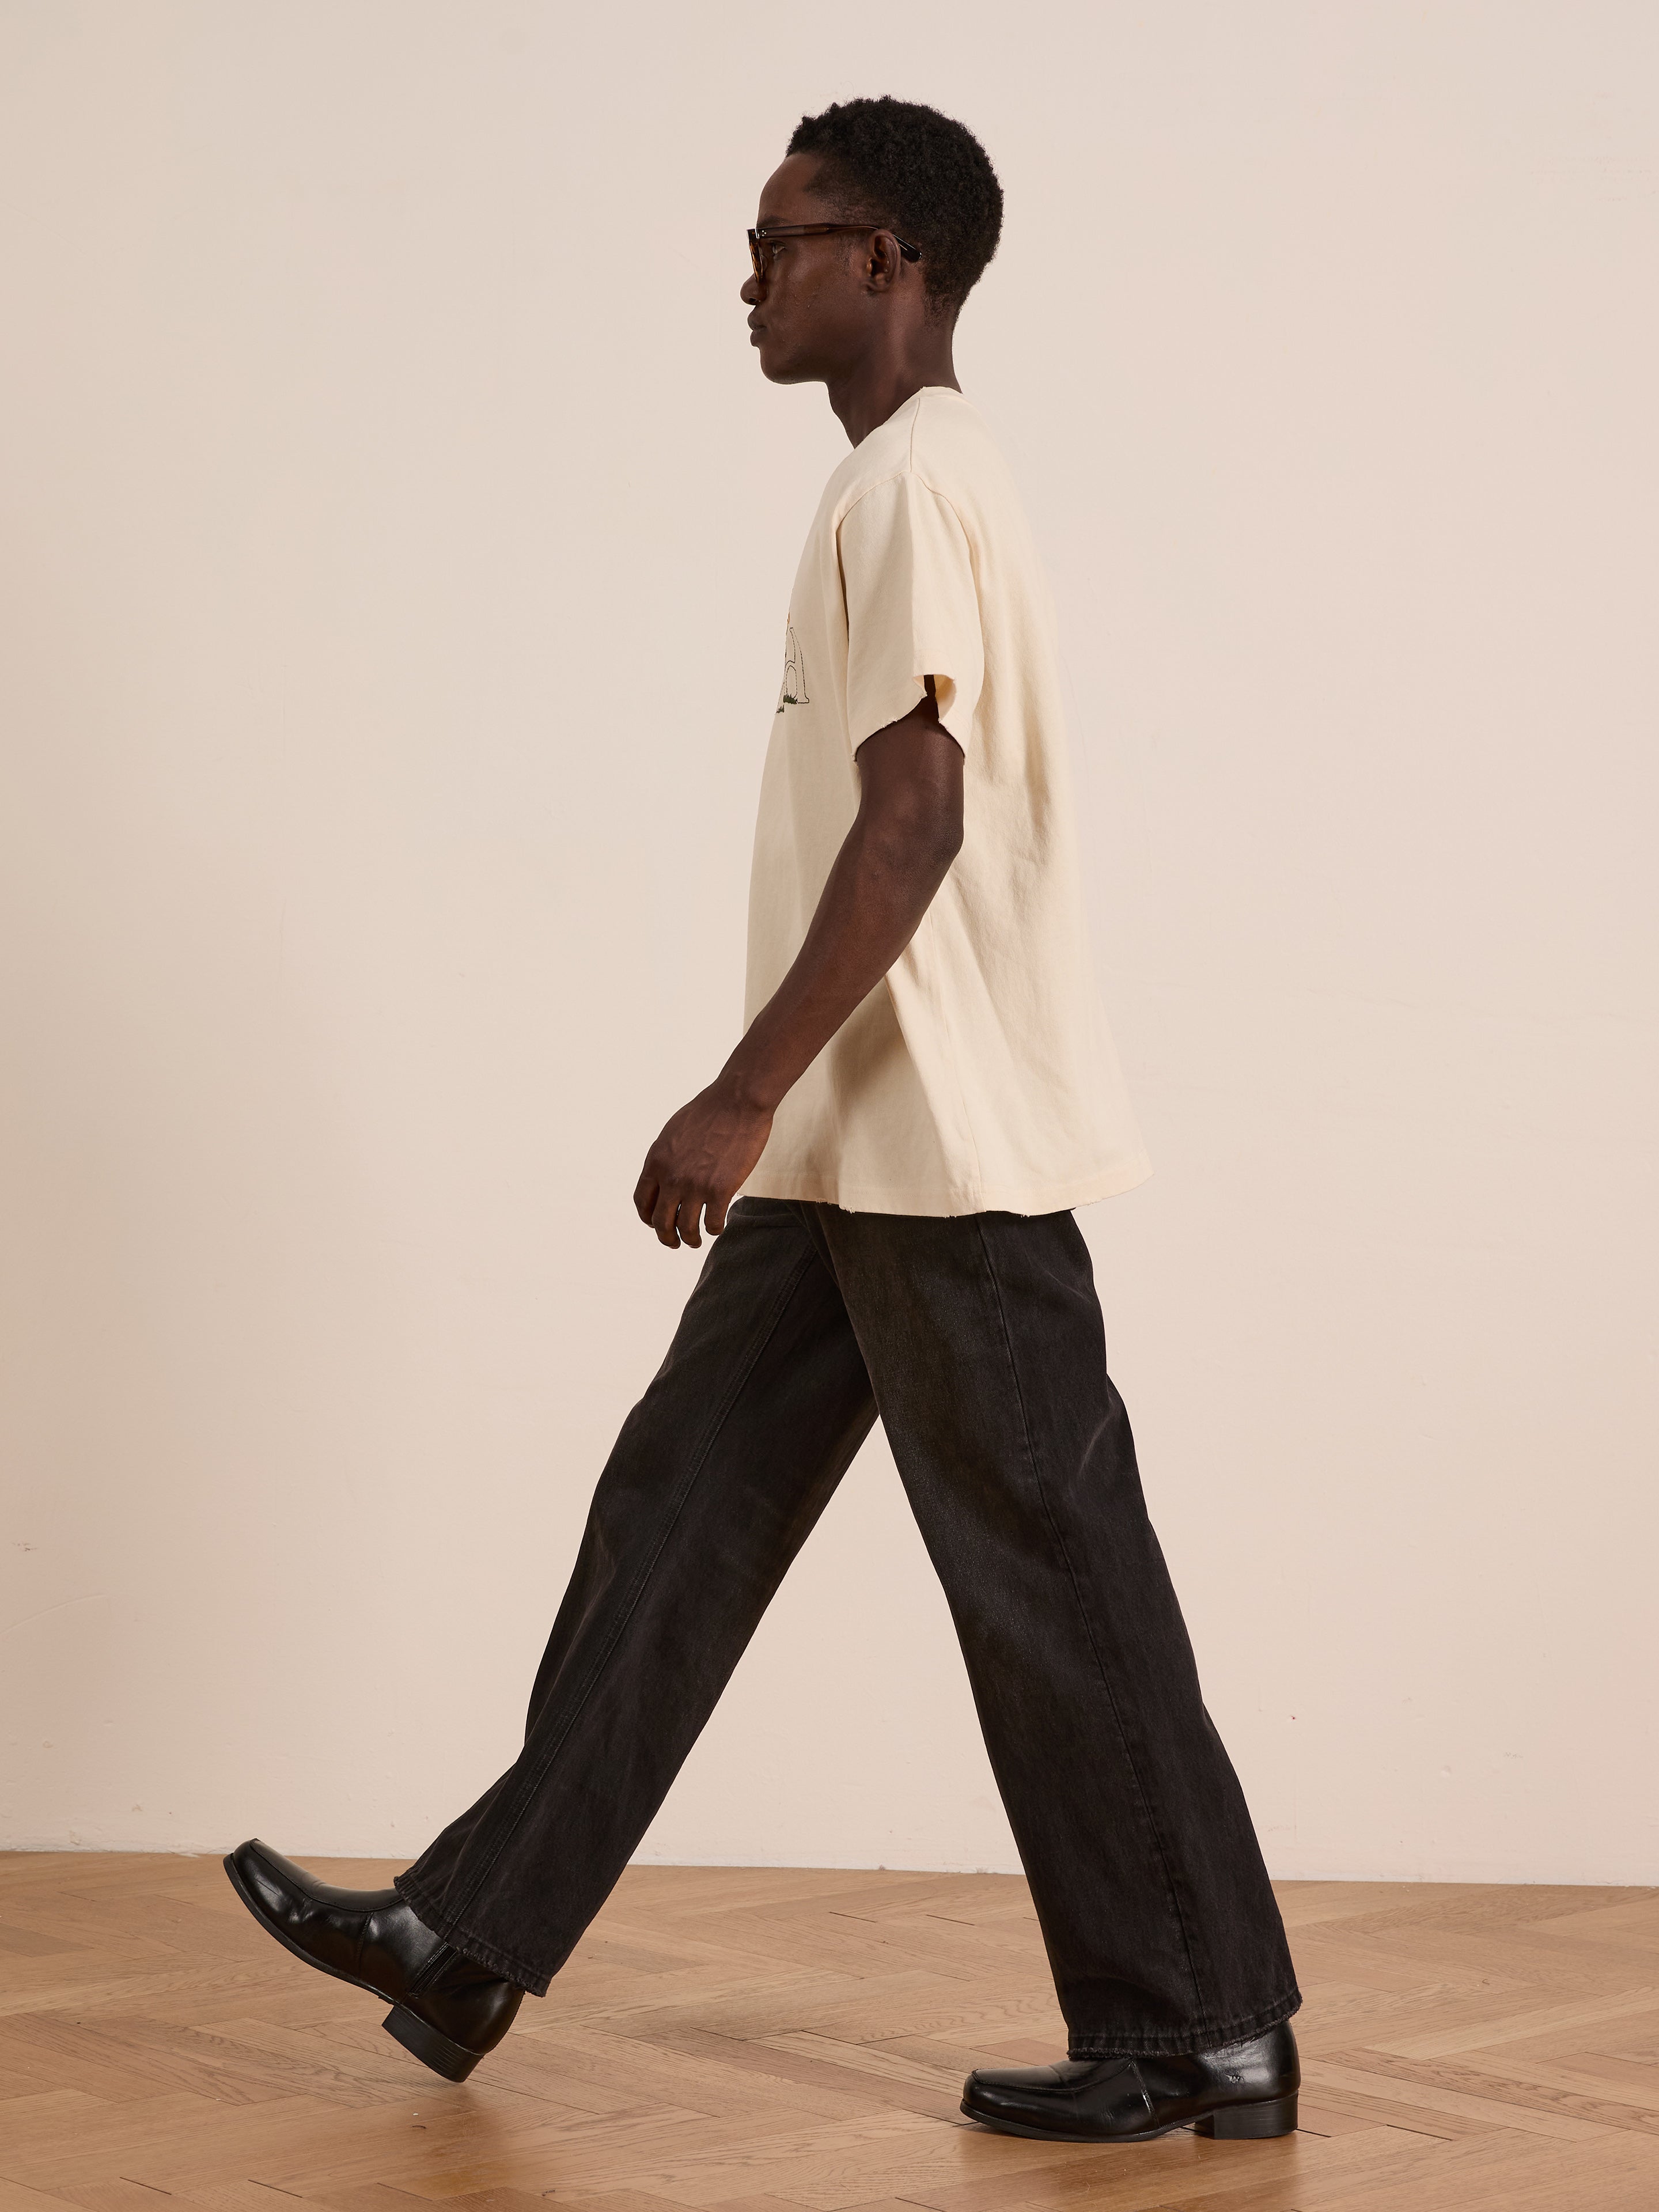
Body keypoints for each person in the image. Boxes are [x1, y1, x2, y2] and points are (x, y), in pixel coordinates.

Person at [225, 95, 1302, 2145]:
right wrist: (787, 1112)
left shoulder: (907, 487)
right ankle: (467, 1937)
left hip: (936, 1150)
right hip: (863, 1150)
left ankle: (1202, 2028)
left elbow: (913, 829)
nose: (751, 273)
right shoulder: (916, 484)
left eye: (786, 238)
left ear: (889, 261)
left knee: (1055, 1579)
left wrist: (740, 1086)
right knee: (684, 1515)